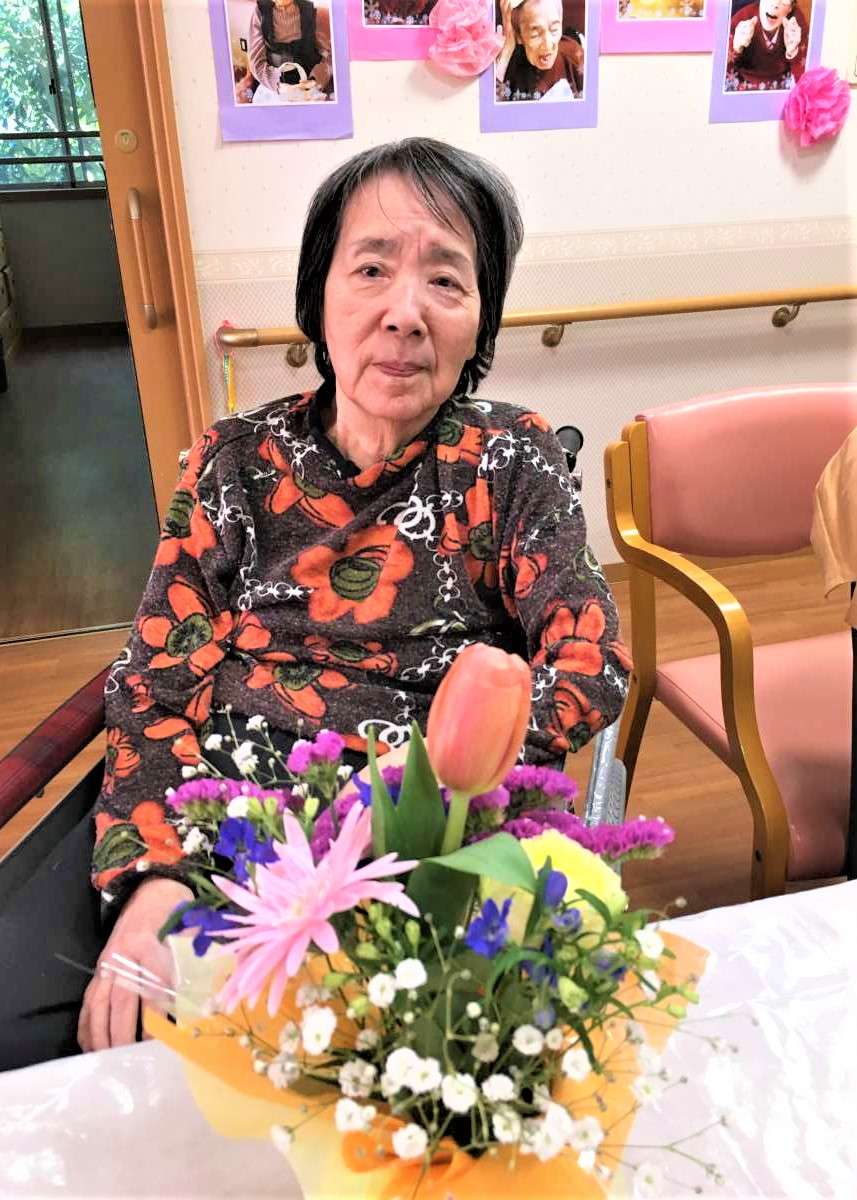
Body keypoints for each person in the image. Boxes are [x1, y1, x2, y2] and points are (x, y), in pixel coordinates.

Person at [0, 138, 629, 1070]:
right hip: (209, 791)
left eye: (446, 281)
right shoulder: (233, 460)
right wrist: (154, 878)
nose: (404, 313)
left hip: (413, 818)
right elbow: (156, 676)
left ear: (480, 319)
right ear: (319, 297)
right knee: (32, 1027)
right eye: (370, 268)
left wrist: (436, 783)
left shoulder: (510, 456)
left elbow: (588, 660)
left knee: (389, 1066)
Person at [496, 0, 584, 103]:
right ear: (518, 35)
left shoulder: (575, 57)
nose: (547, 46)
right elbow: (488, 108)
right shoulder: (508, 66)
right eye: (535, 35)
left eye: (554, 30)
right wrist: (506, 53)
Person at [248, 0, 333, 100]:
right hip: (275, 83)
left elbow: (328, 57)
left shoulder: (313, 11)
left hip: (308, 83)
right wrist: (279, 86)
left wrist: (315, 81)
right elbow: (256, 62)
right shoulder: (260, 12)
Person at [726, 1, 808, 91]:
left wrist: (793, 52)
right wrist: (736, 48)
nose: (775, 4)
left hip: (782, 84)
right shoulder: (742, 17)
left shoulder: (796, 23)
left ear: (790, 8)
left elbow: (806, 80)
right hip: (742, 82)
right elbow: (720, 73)